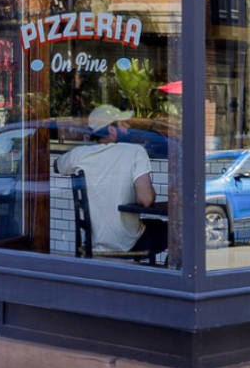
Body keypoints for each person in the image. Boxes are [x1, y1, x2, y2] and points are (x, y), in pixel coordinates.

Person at [55, 104, 167, 258]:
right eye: (122, 123)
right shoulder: (134, 152)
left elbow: (57, 166)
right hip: (129, 243)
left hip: (92, 244)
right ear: (111, 129)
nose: (128, 127)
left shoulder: (79, 155)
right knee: (173, 230)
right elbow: (146, 200)